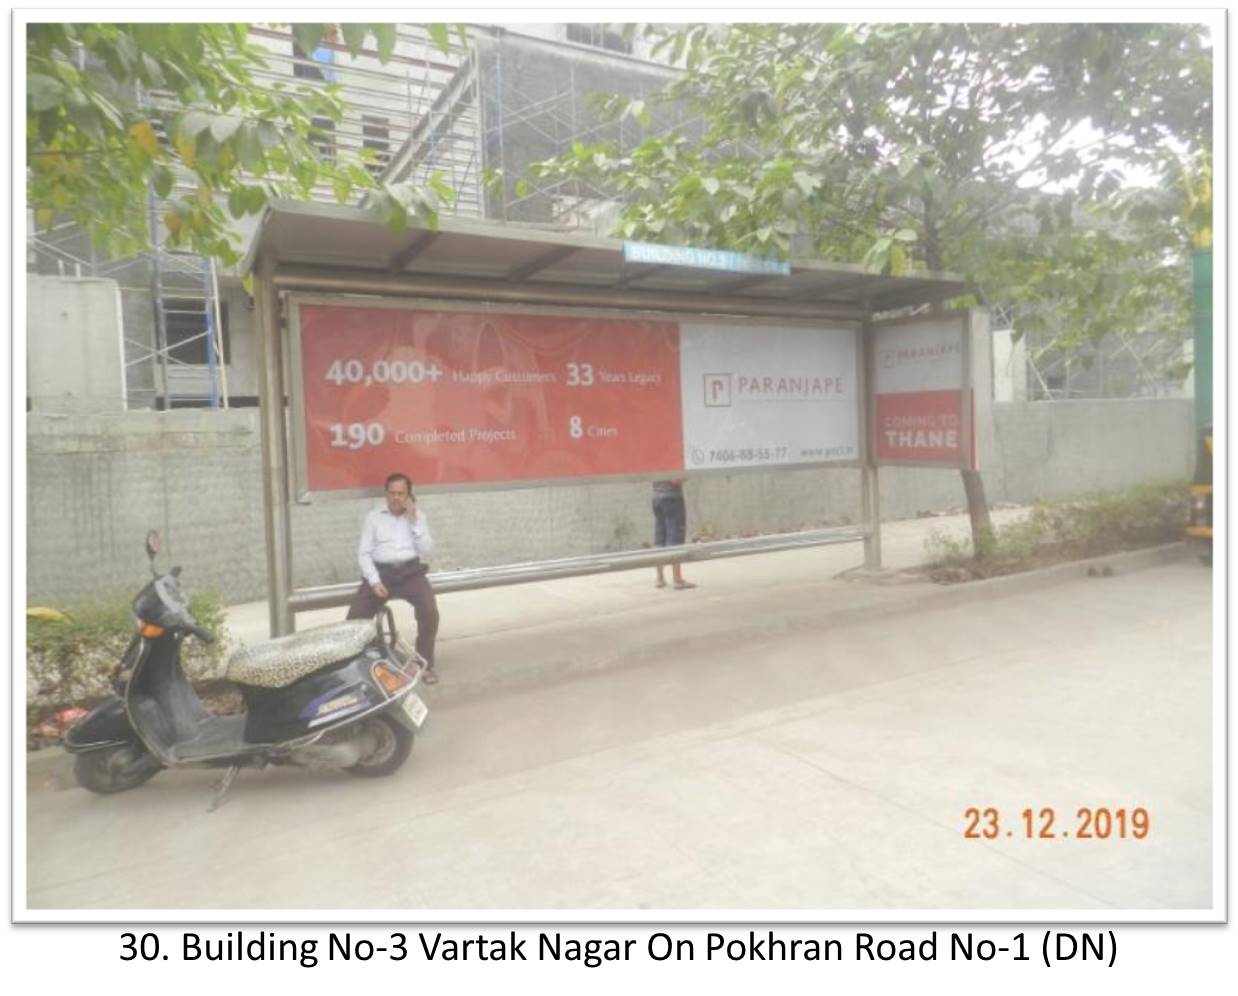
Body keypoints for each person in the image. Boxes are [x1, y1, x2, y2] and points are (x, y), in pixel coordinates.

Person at [346, 472, 441, 683]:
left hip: (411, 573)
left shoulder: (418, 517)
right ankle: (356, 666)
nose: (396, 498)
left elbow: (426, 548)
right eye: (392, 493)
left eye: (401, 493)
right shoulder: (373, 517)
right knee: (354, 619)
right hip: (381, 573)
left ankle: (423, 664)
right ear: (385, 494)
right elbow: (364, 553)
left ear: (408, 495)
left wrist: (414, 520)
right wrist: (374, 580)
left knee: (429, 612)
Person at [652, 479, 696, 590]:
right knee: (674, 538)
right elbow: (675, 480)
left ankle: (660, 579)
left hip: (656, 497)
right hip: (672, 497)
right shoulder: (670, 461)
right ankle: (677, 579)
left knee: (660, 538)